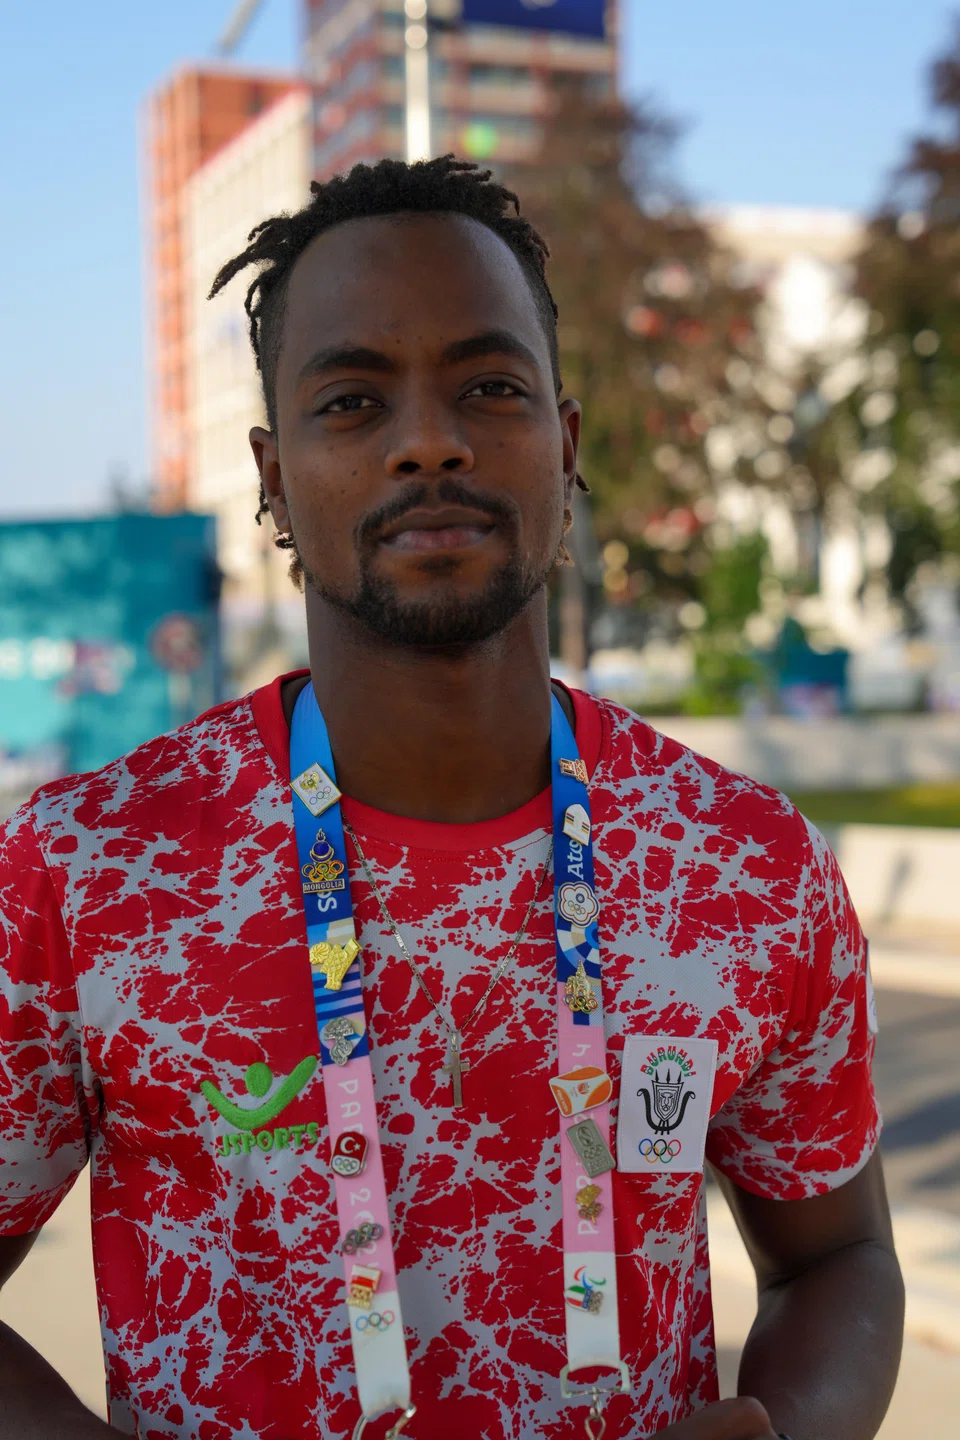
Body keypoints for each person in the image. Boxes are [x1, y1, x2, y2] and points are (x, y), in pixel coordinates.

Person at [0, 156, 903, 1440]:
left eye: (489, 386)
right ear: (270, 476)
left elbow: (839, 1259)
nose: (430, 439)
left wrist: (792, 1426)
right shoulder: (92, 869)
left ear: (567, 443)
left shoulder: (745, 869)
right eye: (355, 401)